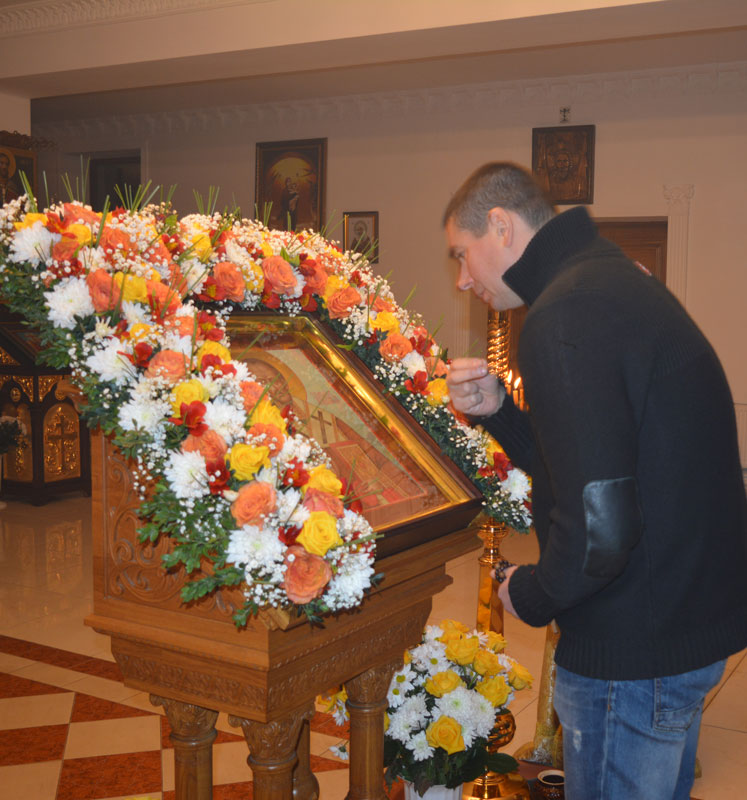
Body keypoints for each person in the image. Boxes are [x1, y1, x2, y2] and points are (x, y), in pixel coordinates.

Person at [444, 162, 747, 800]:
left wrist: (531, 593)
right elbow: (594, 464)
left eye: (462, 255)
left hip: (634, 647)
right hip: (679, 622)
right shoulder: (605, 280)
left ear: (500, 225)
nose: (462, 279)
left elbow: (601, 527)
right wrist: (499, 412)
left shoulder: (565, 312)